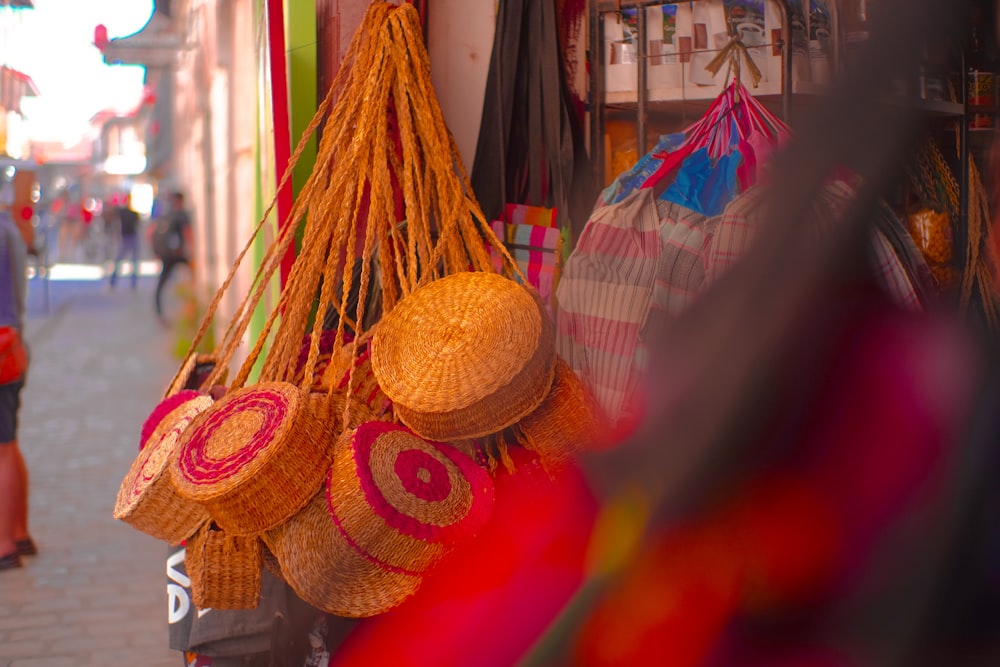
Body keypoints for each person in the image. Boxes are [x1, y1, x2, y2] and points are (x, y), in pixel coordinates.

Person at [0, 208, 32, 571]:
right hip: (12, 345)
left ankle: (5, 543)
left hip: (3, 347)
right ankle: (17, 533)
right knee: (8, 446)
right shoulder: (8, 225)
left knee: (3, 449)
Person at [154, 191, 193, 326]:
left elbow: (150, 233)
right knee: (194, 273)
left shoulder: (166, 214)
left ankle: (160, 315)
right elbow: (187, 233)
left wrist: (157, 252)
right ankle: (193, 306)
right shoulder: (182, 215)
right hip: (177, 254)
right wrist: (191, 251)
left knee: (161, 285)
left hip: (166, 255)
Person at [108, 195, 141, 290]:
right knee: (119, 261)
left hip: (132, 237)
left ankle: (133, 284)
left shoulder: (134, 213)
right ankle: (113, 282)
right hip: (126, 238)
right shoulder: (122, 212)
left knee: (133, 262)